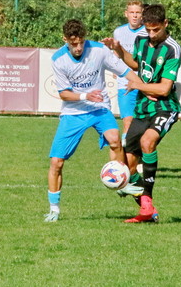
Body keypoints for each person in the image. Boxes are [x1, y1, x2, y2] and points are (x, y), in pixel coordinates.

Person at [44, 19, 143, 222]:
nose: (78, 47)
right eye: (74, 44)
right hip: (73, 112)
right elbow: (64, 94)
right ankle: (54, 209)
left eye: (81, 42)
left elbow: (125, 71)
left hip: (99, 108)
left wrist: (142, 86)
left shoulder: (99, 50)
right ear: (65, 40)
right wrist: (85, 96)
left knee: (115, 139)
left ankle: (119, 182)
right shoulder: (59, 59)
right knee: (56, 162)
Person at [102, 4, 181, 223]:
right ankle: (148, 210)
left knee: (148, 142)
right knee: (127, 166)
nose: (152, 34)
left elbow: (164, 89)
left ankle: (147, 196)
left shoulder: (172, 49)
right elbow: (136, 64)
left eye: (156, 29)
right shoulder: (141, 40)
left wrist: (138, 86)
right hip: (142, 107)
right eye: (148, 30)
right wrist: (118, 50)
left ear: (165, 24)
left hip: (165, 108)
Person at [113, 0, 148, 147]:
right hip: (125, 83)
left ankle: (138, 156)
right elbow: (116, 52)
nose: (134, 16)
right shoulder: (118, 31)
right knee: (127, 121)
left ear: (142, 15)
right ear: (126, 14)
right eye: (131, 12)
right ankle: (126, 159)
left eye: (137, 12)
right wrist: (116, 68)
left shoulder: (148, 32)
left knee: (143, 125)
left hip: (145, 84)